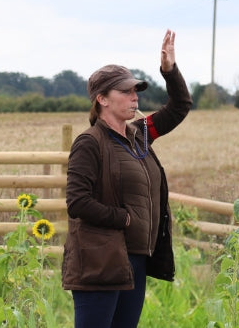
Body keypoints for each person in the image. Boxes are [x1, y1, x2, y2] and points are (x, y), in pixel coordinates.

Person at [62, 29, 192, 327]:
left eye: (136, 91)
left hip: (134, 260)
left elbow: (180, 106)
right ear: (102, 99)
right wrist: (125, 219)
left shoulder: (139, 135)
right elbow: (78, 202)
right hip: (100, 262)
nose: (134, 97)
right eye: (126, 91)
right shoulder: (90, 142)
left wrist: (169, 71)